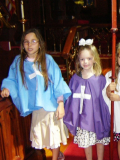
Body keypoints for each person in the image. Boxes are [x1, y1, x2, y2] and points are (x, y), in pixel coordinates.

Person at [0, 28, 71, 160]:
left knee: (53, 135)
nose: (30, 45)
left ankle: (55, 157)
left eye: (33, 41)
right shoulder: (19, 62)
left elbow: (58, 81)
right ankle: (58, 154)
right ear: (22, 45)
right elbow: (11, 79)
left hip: (51, 105)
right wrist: (7, 88)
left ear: (40, 44)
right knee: (41, 135)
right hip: (36, 107)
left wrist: (60, 103)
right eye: (26, 42)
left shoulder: (47, 60)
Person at [63, 38, 111, 160]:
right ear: (78, 60)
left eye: (89, 59)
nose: (85, 62)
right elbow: (71, 98)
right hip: (82, 117)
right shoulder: (75, 78)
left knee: (99, 140)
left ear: (94, 59)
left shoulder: (99, 78)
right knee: (86, 142)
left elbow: (103, 99)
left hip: (97, 116)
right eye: (82, 59)